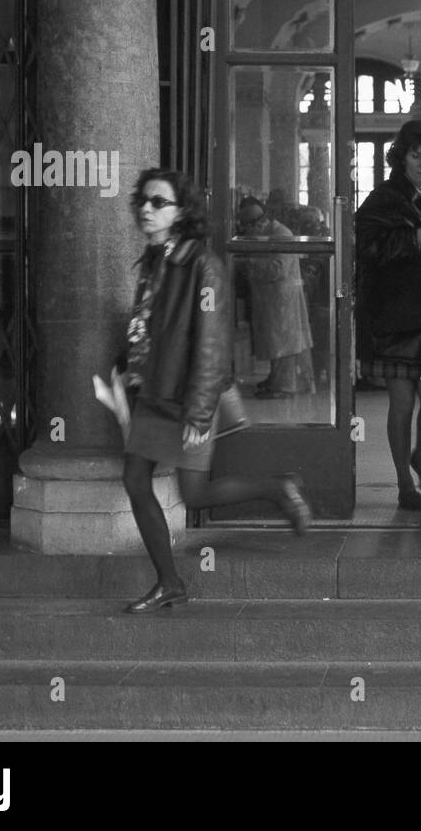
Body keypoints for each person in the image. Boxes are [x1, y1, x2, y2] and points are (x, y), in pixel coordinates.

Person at [119, 169, 312, 614]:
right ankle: (169, 582)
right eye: (143, 201)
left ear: (182, 211)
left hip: (188, 399)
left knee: (195, 495)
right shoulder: (154, 260)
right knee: (136, 479)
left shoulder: (202, 266)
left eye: (159, 202)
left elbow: (211, 344)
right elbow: (148, 329)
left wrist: (199, 413)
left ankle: (278, 487)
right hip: (155, 394)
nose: (147, 209)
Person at [354, 119, 421, 511]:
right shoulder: (383, 198)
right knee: (401, 405)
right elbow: (364, 247)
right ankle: (403, 484)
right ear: (402, 157)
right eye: (416, 155)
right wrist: (410, 240)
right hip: (395, 314)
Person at [235, 196, 315, 397]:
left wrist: (249, 264)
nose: (246, 231)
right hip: (272, 300)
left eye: (248, 226)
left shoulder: (281, 234)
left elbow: (277, 269)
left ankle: (286, 385)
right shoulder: (268, 233)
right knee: (275, 343)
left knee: (285, 345)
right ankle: (276, 378)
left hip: (282, 301)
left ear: (259, 222)